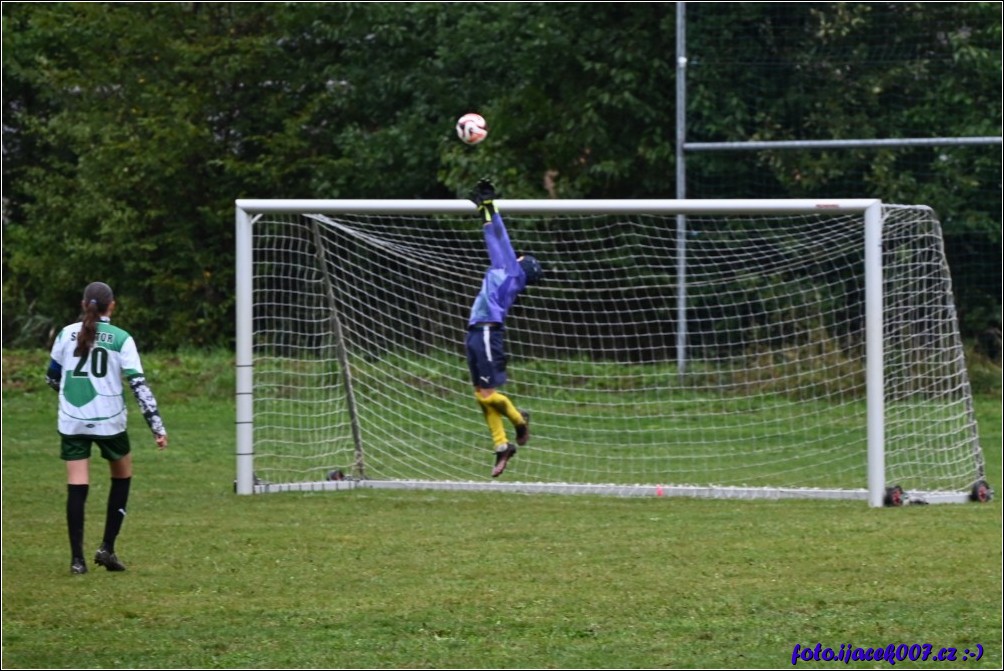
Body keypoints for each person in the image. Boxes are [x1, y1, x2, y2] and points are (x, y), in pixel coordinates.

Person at [46, 281, 168, 574]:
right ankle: (107, 548)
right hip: (109, 421)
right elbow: (138, 386)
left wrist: (71, 398)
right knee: (122, 476)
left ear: (83, 304)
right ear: (111, 305)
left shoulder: (65, 334)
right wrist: (157, 426)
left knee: (77, 485)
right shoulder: (121, 338)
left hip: (72, 419)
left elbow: (52, 378)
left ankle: (77, 561)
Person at [465, 179, 542, 477]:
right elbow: (492, 237)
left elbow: (500, 235)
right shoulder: (506, 269)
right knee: (481, 394)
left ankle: (518, 420)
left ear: (522, 265)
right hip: (475, 330)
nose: (517, 255)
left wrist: (490, 204)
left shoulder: (512, 270)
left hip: (487, 330)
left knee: (486, 396)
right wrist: (485, 209)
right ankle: (501, 446)